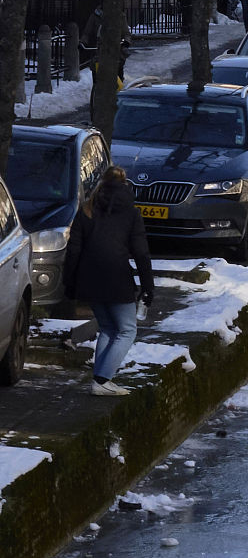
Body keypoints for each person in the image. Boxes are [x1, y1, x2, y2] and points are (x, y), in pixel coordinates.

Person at [63, 166, 156, 396]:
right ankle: (103, 380)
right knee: (127, 330)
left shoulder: (86, 210)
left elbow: (73, 250)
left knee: (107, 328)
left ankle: (100, 379)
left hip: (89, 278)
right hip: (117, 279)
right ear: (125, 186)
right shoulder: (132, 213)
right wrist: (148, 286)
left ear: (101, 184)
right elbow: (141, 253)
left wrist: (70, 282)